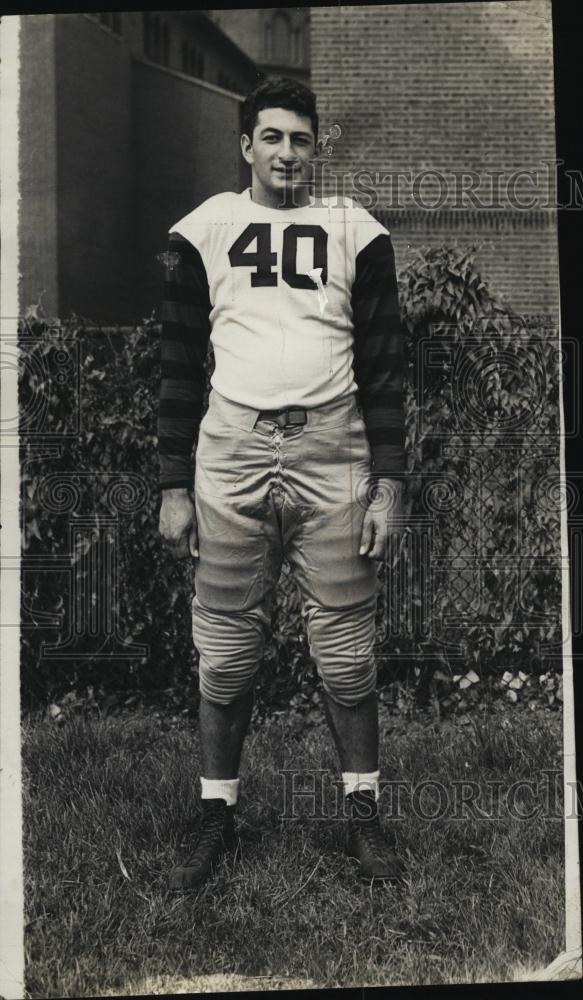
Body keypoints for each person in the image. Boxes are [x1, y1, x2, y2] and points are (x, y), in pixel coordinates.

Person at [158, 77, 406, 890]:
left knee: (345, 651)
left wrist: (389, 483)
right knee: (224, 651)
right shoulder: (204, 230)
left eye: (300, 139)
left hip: (331, 442)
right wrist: (171, 483)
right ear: (245, 145)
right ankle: (216, 813)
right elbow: (177, 367)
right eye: (271, 137)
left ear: (315, 148)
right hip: (230, 444)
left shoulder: (354, 231)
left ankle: (361, 814)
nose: (287, 153)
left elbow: (382, 369)